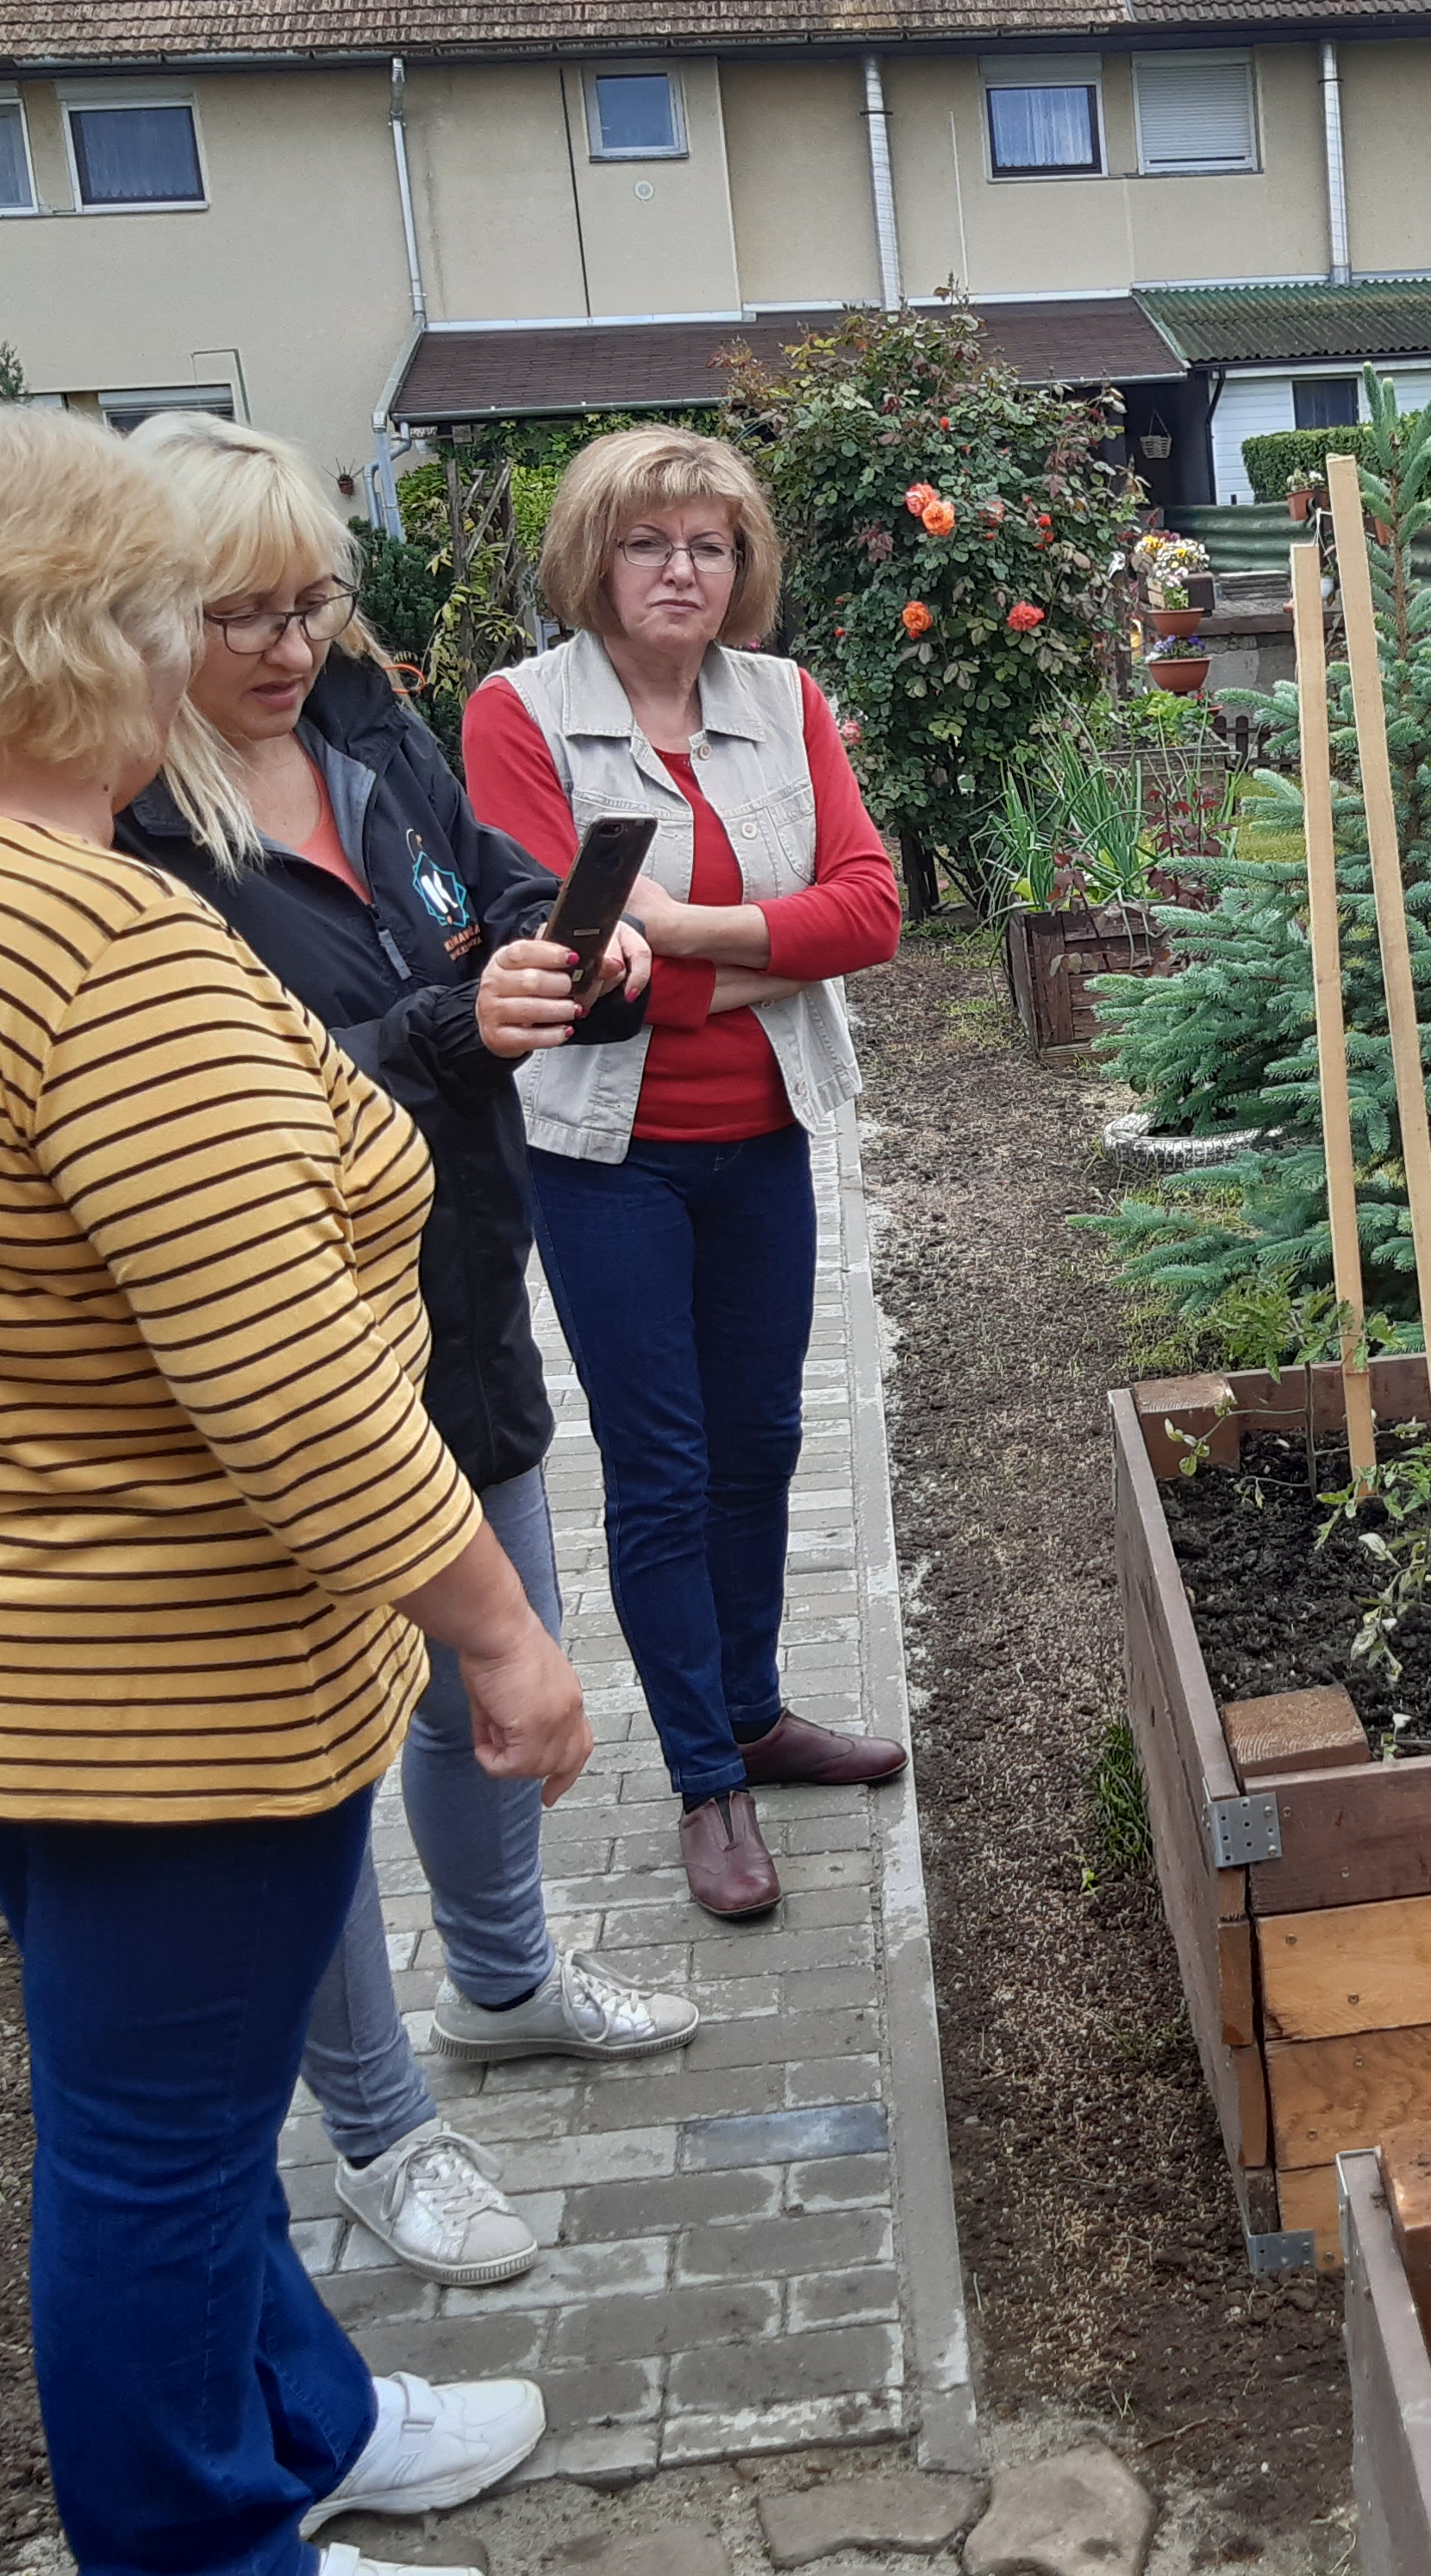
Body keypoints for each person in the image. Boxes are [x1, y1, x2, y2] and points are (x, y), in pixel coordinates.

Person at [0, 403, 573, 2576]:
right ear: (100, 638)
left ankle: (304, 2418)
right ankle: (205, 2546)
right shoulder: (93, 950)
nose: (247, 650)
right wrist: (501, 1637)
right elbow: (291, 1390)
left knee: (158, 2109)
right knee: (153, 2161)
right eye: (197, 610)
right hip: (164, 1665)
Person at [115, 412, 698, 2291]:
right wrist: (465, 1029)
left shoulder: (363, 729)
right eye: (238, 615)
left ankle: (510, 1984)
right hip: (279, 1347)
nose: (287, 648)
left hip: (457, 1284)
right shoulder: (124, 831)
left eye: (310, 603)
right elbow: (222, 1123)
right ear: (136, 617)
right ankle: (375, 2131)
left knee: (489, 1678)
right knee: (325, 1747)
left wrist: (563, 947)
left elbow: (481, 897)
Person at [461, 426, 903, 1921]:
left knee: (764, 1440)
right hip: (608, 1158)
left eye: (711, 545)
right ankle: (707, 1776)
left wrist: (687, 928)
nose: (683, 570)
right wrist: (764, 937)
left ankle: (758, 1707)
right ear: (598, 556)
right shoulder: (518, 717)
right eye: (653, 543)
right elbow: (569, 967)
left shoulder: (784, 700)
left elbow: (874, 912)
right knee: (659, 1465)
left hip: (762, 1136)